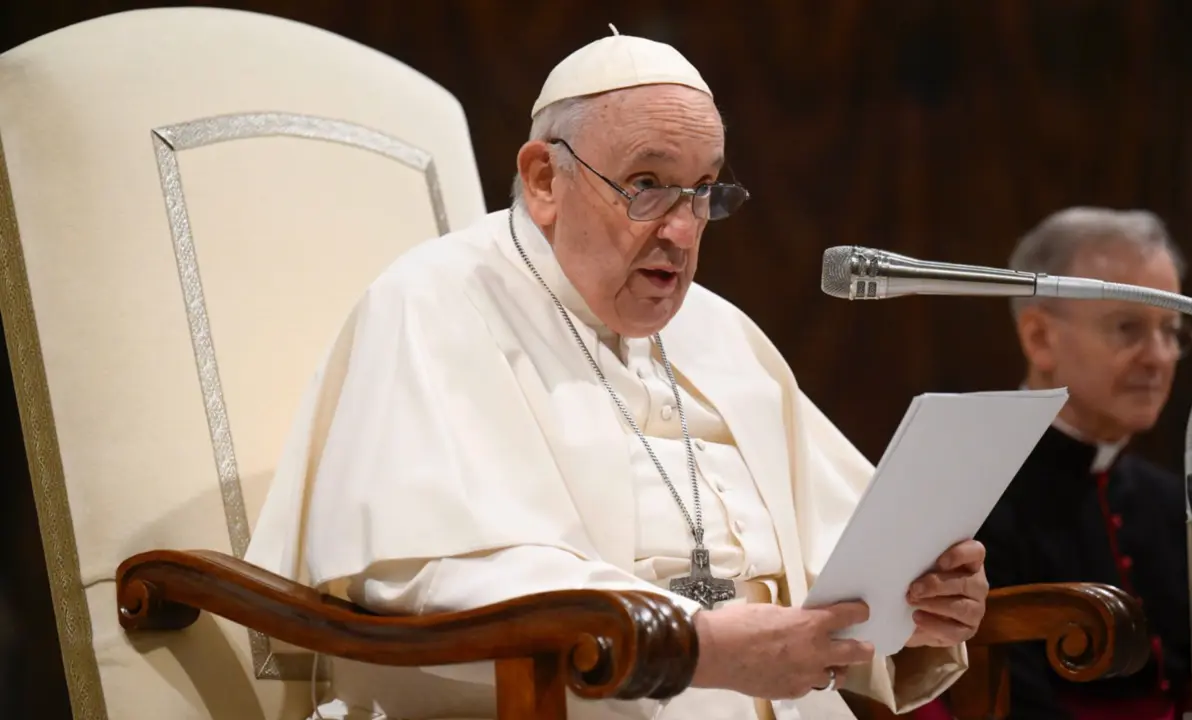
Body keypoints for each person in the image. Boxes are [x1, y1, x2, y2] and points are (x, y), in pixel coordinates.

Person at [246, 28, 987, 720]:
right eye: (647, 184)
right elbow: (425, 572)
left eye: (704, 191)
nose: (683, 229)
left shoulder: (718, 327)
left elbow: (839, 547)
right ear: (543, 179)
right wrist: (693, 640)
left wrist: (919, 598)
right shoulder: (437, 300)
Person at [974, 207, 1192, 719]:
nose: (1159, 357)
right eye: (1128, 327)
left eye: (1172, 331)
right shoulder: (973, 492)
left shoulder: (1163, 498)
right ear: (1040, 339)